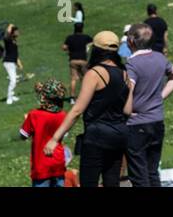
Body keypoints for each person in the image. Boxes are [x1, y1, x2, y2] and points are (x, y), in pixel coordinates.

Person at [44, 31, 134, 187]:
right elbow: (127, 110)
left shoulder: (95, 74)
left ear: (96, 49)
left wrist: (54, 139)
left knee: (88, 182)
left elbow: (77, 110)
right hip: (119, 135)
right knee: (112, 182)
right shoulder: (125, 74)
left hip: (97, 137)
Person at [124, 21, 173, 186]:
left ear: (130, 42)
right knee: (152, 171)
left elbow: (129, 89)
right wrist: (160, 97)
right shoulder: (159, 57)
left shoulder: (132, 64)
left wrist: (127, 111)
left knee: (138, 174)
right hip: (157, 121)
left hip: (137, 124)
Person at [18, 79, 68, 186]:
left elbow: (23, 135)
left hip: (41, 164)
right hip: (58, 162)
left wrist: (27, 119)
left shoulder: (34, 115)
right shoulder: (63, 115)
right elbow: (64, 134)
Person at [62, 24, 91, 99]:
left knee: (73, 79)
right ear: (82, 29)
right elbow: (93, 42)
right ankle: (85, 96)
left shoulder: (70, 38)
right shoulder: (85, 37)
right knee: (85, 79)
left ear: (74, 28)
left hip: (73, 60)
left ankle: (72, 97)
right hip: (83, 60)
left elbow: (64, 47)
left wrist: (69, 50)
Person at [3, 24, 24, 104]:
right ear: (12, 33)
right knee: (13, 81)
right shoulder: (8, 39)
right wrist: (10, 26)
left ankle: (12, 95)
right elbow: (6, 34)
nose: (18, 32)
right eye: (16, 31)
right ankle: (9, 98)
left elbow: (15, 53)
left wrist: (19, 63)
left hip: (13, 62)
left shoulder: (14, 40)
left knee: (14, 80)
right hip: (8, 62)